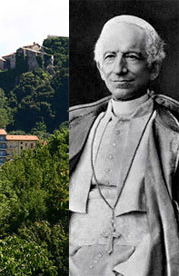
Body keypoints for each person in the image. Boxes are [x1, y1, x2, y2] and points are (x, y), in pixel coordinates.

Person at [69, 15, 179, 275]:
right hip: (75, 256)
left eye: (132, 56)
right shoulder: (76, 126)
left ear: (153, 67)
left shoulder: (171, 132)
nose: (119, 69)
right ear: (99, 67)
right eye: (110, 57)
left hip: (142, 257)